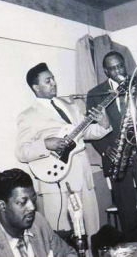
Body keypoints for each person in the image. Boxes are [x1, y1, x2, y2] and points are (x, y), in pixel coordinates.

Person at [15, 63, 111, 240]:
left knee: (92, 233)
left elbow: (86, 133)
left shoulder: (70, 105)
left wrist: (103, 123)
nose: (54, 83)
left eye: (53, 78)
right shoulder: (28, 115)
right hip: (57, 180)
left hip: (82, 177)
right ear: (36, 87)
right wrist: (46, 144)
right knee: (65, 236)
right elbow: (22, 151)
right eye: (48, 81)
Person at [86, 51, 137, 233]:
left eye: (120, 66)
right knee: (125, 205)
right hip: (116, 155)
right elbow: (92, 129)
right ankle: (133, 241)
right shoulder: (95, 94)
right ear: (106, 71)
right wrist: (106, 150)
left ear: (125, 65)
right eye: (112, 69)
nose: (117, 71)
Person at [0, 168, 76, 257]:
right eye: (23, 202)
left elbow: (69, 253)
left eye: (33, 199)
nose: (32, 207)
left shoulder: (38, 222)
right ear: (2, 205)